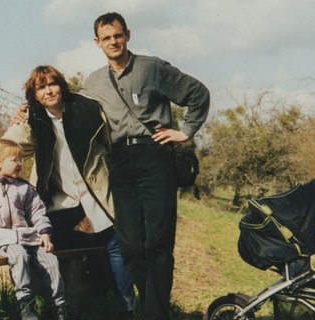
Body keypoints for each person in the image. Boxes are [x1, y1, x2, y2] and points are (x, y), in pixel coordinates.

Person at [81, 12, 210, 320]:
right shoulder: (94, 82)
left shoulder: (152, 68)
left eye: (118, 35)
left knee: (158, 242)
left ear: (128, 34)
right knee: (130, 245)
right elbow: (73, 117)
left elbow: (198, 94)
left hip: (155, 155)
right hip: (120, 162)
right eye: (107, 38)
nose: (114, 42)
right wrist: (27, 110)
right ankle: (153, 309)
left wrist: (185, 131)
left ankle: (155, 314)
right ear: (97, 42)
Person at [3, 65, 136, 319]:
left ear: (61, 85)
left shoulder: (85, 110)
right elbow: (5, 148)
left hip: (95, 191)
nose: (48, 91)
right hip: (61, 196)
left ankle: (125, 310)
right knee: (46, 238)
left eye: (52, 84)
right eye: (41, 88)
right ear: (34, 95)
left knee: (116, 244)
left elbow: (111, 140)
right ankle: (52, 306)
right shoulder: (35, 119)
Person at [0, 139, 68, 320]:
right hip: (2, 240)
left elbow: (37, 212)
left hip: (28, 237)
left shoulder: (25, 188)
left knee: (50, 259)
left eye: (21, 159)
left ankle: (58, 307)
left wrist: (44, 233)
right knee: (19, 255)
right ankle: (26, 306)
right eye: (15, 160)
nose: (21, 164)